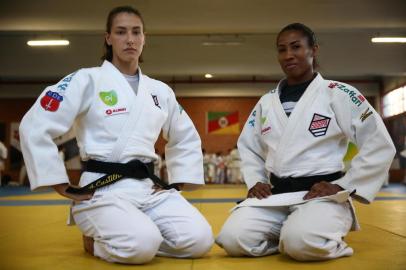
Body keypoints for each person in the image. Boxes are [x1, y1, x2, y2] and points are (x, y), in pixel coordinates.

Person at [19, 6, 213, 264]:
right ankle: (98, 244)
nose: (130, 39)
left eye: (136, 32)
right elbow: (36, 124)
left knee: (199, 240)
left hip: (147, 188)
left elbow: (186, 136)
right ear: (108, 38)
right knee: (142, 245)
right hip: (100, 189)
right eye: (121, 32)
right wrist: (60, 183)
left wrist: (177, 183)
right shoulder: (86, 80)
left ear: (144, 38)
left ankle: (131, 236)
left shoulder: (160, 91)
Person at [216, 23, 396, 261]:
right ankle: (290, 233)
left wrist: (344, 185)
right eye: (282, 49)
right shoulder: (267, 102)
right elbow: (249, 146)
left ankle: (309, 233)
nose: (288, 55)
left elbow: (378, 141)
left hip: (322, 194)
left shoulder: (338, 93)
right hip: (276, 195)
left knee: (302, 245)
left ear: (314, 50)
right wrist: (257, 180)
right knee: (232, 239)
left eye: (296, 47)